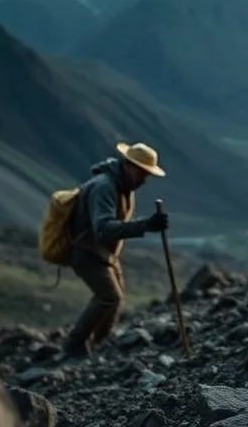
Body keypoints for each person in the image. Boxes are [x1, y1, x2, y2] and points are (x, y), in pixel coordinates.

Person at [60, 141, 168, 360]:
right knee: (109, 296)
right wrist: (146, 225)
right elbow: (103, 228)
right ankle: (75, 344)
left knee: (114, 298)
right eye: (141, 172)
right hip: (87, 251)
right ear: (128, 165)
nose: (144, 179)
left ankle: (101, 343)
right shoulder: (104, 187)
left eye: (147, 174)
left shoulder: (122, 187)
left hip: (102, 252)